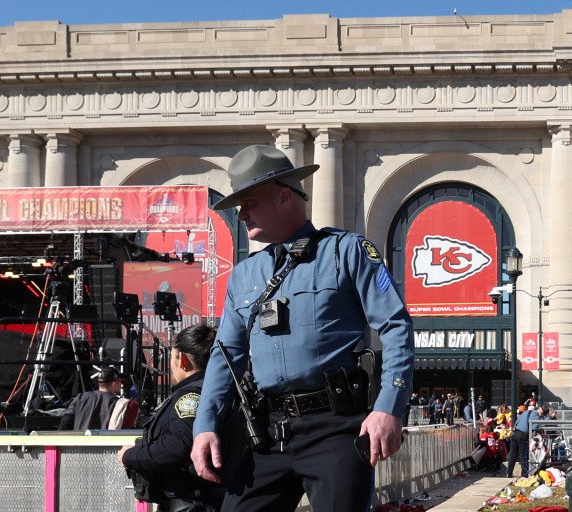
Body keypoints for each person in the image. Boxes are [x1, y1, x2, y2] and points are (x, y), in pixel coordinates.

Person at [189, 144, 414, 512]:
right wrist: (205, 424)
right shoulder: (244, 275)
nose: (241, 214)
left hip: (336, 428)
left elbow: (396, 327)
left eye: (249, 203)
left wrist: (390, 407)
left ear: (284, 197)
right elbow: (226, 355)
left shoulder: (347, 251)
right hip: (268, 431)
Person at [119, 323, 224, 512]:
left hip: (191, 503)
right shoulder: (210, 391)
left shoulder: (190, 396)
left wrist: (130, 455)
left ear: (182, 359)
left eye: (172, 357)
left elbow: (179, 446)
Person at [60, 367, 138, 430]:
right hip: (107, 444)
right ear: (114, 383)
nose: (121, 384)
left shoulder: (80, 397)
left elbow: (65, 422)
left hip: (79, 443)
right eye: (120, 381)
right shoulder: (120, 404)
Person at [506, 403, 534, 478]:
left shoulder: (524, 414)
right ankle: (524, 474)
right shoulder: (532, 415)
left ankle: (509, 473)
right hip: (522, 435)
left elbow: (516, 423)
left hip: (515, 433)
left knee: (512, 454)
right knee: (523, 455)